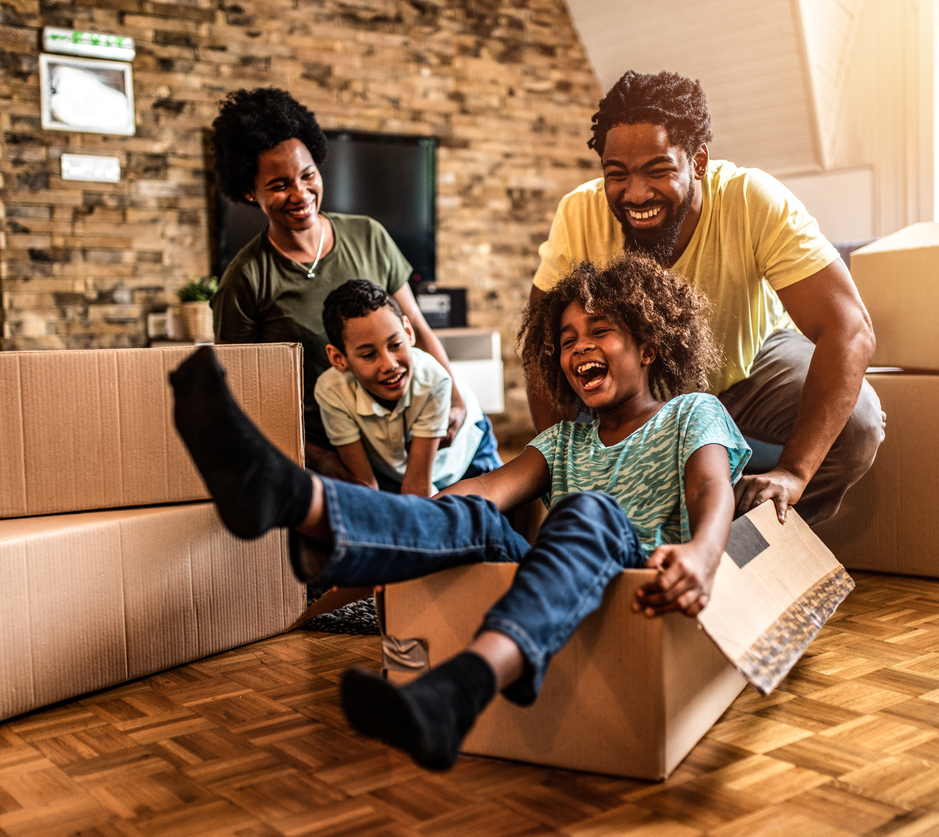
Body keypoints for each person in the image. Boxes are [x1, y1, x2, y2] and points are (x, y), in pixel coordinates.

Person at [169, 253, 751, 771]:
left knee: (587, 510)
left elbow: (710, 490)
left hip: (650, 578)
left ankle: (464, 681)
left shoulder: (690, 412)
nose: (579, 349)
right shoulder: (563, 442)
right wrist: (397, 545)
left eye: (600, 332)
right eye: (568, 340)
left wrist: (703, 554)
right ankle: (293, 497)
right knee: (475, 514)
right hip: (561, 586)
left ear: (649, 345)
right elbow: (471, 498)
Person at [528, 70, 884, 526]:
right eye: (617, 174)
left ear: (698, 161)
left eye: (658, 170)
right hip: (633, 392)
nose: (636, 193)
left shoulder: (751, 199)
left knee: (858, 424)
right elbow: (540, 346)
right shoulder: (580, 211)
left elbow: (849, 328)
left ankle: (753, 542)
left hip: (745, 369)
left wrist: (794, 473)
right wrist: (569, 470)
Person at [209, 87, 467, 480]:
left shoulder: (369, 236)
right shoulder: (246, 279)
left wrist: (456, 398)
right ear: (249, 191)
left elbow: (417, 325)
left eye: (307, 174)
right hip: (326, 449)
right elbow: (240, 392)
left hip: (405, 433)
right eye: (279, 185)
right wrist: (317, 458)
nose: (300, 193)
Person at [317, 279, 502, 496]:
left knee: (488, 518)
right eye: (368, 355)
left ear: (408, 332)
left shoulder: (433, 382)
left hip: (465, 459)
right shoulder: (331, 392)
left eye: (395, 345)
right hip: (399, 470)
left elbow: (417, 487)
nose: (390, 365)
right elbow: (365, 486)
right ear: (339, 358)